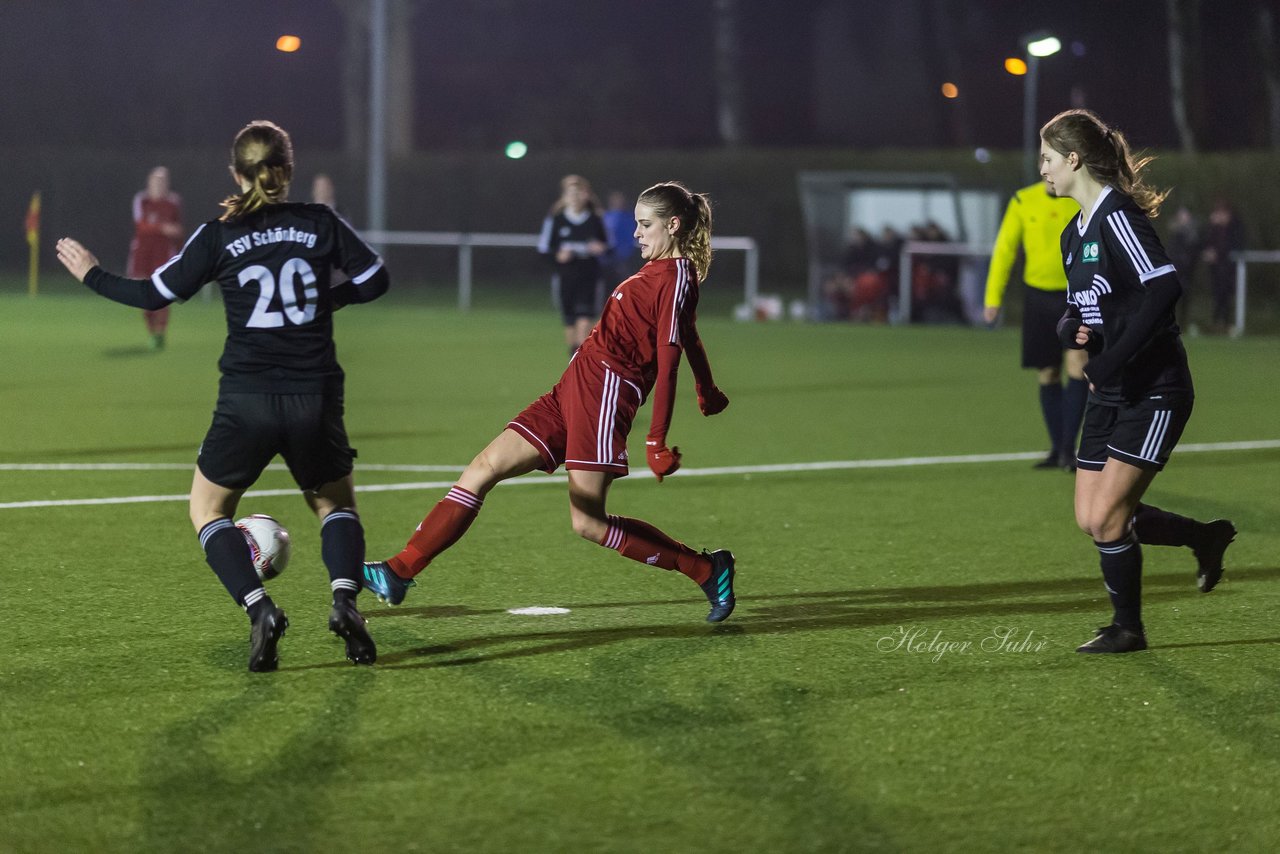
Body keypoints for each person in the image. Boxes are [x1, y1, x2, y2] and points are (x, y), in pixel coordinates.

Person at [55, 120, 391, 672]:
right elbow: (376, 279)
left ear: (236, 173)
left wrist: (93, 275)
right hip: (314, 396)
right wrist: (332, 299)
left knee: (208, 509)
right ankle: (344, 603)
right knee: (333, 503)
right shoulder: (319, 222)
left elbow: (153, 291)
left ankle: (260, 609)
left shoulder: (219, 233)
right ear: (289, 169)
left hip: (247, 399)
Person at [362, 181, 736, 626]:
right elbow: (689, 334)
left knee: (588, 524)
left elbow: (672, 352)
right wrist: (708, 389)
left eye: (644, 224)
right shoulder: (661, 273)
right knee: (484, 467)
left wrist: (656, 439)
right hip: (572, 388)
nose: (635, 233)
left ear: (672, 226)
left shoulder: (674, 277)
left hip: (604, 396)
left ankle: (706, 569)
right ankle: (400, 570)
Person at [1039, 108, 1236, 654]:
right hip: (1112, 393)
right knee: (1091, 518)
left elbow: (1163, 287)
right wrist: (1071, 325)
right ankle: (1204, 536)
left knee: (1107, 517)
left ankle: (1128, 628)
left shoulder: (1116, 215)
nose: (1044, 171)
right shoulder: (1072, 235)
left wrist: (1110, 360)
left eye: (1048, 160)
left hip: (1154, 390)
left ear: (1074, 159)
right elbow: (1081, 305)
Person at [983, 180, 1085, 471]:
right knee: (1048, 372)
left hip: (1074, 296)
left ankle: (1068, 449)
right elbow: (1005, 248)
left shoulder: (1080, 198)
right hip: (1037, 298)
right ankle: (1058, 449)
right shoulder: (1022, 200)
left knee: (1078, 364)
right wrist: (993, 298)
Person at [537, 174, 609, 356]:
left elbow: (609, 246)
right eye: (570, 193)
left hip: (589, 275)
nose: (575, 197)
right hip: (566, 276)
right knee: (569, 321)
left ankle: (581, 358)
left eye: (578, 193)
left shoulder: (596, 219)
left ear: (585, 195)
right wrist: (558, 256)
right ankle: (574, 356)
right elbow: (545, 249)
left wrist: (600, 248)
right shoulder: (556, 220)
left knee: (584, 318)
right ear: (565, 196)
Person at [128, 166, 183, 350]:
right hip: (143, 252)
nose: (159, 185)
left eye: (163, 181)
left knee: (163, 293)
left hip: (163, 253)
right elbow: (141, 226)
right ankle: (152, 331)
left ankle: (160, 332)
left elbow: (177, 229)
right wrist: (162, 228)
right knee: (144, 295)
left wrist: (177, 240)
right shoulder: (141, 200)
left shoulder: (173, 202)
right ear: (149, 182)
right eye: (156, 181)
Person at [1201, 198, 1245, 334]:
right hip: (1216, 269)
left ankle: (1225, 324)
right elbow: (1205, 242)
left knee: (1225, 296)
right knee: (1217, 295)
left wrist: (1217, 254)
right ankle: (1216, 324)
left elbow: (1234, 245)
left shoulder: (1235, 228)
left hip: (1228, 268)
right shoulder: (1213, 229)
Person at [602, 189, 640, 285]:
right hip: (608, 258)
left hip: (627, 258)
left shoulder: (631, 217)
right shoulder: (605, 217)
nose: (617, 202)